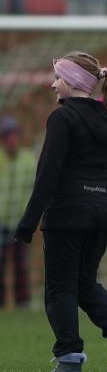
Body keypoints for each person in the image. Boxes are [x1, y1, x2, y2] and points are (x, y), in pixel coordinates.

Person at [14, 53, 107, 372]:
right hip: (101, 213)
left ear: (72, 83)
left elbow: (49, 173)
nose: (52, 83)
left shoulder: (63, 117)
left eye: (57, 77)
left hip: (68, 213)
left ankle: (69, 362)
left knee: (59, 288)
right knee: (84, 282)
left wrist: (28, 223)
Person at [0, 115, 36, 309]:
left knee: (21, 265)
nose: (11, 140)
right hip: (0, 222)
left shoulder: (28, 160)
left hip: (20, 223)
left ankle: (23, 304)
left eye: (14, 135)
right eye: (7, 136)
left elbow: (32, 190)